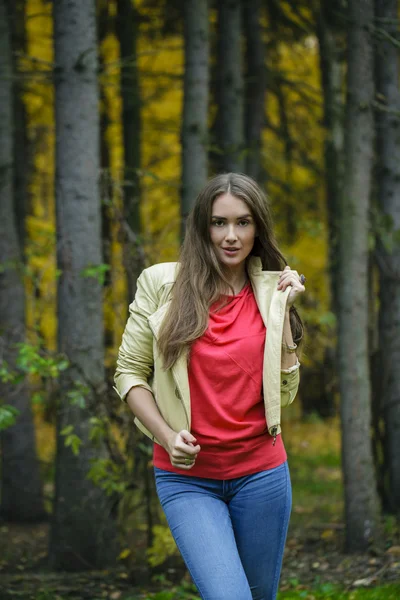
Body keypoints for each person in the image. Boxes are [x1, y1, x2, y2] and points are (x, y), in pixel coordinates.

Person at [114, 173, 306, 600]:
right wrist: (166, 435)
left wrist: (286, 317)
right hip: (187, 479)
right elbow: (128, 373)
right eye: (219, 223)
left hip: (262, 474)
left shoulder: (272, 289)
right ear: (202, 225)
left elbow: (286, 394)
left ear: (258, 227)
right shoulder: (162, 284)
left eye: (243, 222)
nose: (232, 236)